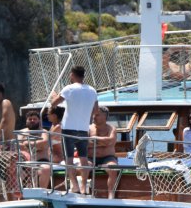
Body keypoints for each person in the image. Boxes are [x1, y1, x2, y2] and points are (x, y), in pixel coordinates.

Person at [49, 66, 98, 194]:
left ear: (72, 75)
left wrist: (54, 96)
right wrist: (87, 117)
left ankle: (75, 186)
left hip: (68, 128)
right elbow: (96, 110)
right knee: (83, 158)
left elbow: (54, 103)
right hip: (83, 129)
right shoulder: (92, 90)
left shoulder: (69, 88)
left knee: (69, 159)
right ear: (83, 75)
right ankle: (83, 187)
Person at [88, 106, 118, 199]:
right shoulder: (88, 128)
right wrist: (103, 142)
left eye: (97, 115)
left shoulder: (111, 129)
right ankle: (84, 191)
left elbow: (111, 142)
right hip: (90, 158)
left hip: (107, 158)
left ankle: (111, 194)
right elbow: (84, 143)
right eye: (93, 114)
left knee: (113, 169)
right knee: (83, 167)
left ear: (105, 116)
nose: (94, 117)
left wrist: (94, 140)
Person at [16, 111, 51, 189]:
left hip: (41, 161)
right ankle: (20, 195)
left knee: (46, 169)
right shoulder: (22, 132)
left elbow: (44, 143)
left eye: (35, 119)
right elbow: (18, 145)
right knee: (15, 170)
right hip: (25, 162)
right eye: (30, 119)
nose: (32, 121)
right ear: (26, 121)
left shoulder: (43, 131)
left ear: (39, 120)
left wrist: (27, 144)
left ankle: (42, 193)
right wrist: (36, 145)